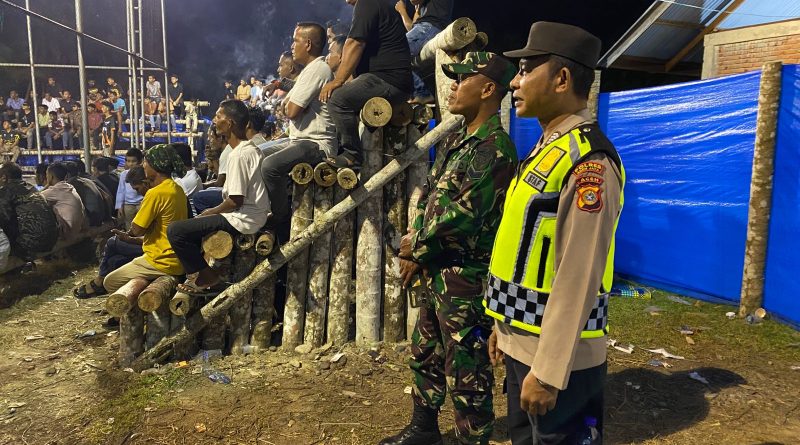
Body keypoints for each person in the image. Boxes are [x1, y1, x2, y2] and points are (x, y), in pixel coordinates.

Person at [484, 22, 626, 445]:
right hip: (523, 343)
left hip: (560, 361)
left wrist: (548, 371)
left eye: (526, 70)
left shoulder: (589, 163)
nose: (515, 82)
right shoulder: (548, 147)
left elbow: (578, 275)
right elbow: (525, 247)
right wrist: (503, 328)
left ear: (561, 79)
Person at [381, 51, 518, 445]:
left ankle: (470, 438)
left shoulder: (495, 148)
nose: (453, 87)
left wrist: (414, 251)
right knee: (425, 351)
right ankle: (424, 429)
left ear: (488, 89)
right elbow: (428, 195)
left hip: (466, 277)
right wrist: (414, 239)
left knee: (466, 366)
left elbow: (462, 216)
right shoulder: (458, 140)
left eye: (462, 79)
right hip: (438, 269)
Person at [168, 99, 269, 294]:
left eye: (218, 116)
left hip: (244, 219)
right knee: (193, 225)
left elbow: (235, 200)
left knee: (176, 231)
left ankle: (207, 277)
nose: (214, 120)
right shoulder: (249, 149)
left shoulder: (239, 155)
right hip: (252, 215)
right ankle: (202, 271)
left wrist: (210, 212)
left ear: (229, 123)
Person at [261, 22, 336, 241]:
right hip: (299, 140)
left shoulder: (318, 69)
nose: (292, 46)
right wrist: (281, 89)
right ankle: (261, 208)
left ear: (308, 44)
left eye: (295, 41)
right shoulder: (309, 70)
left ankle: (280, 217)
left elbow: (291, 111)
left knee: (269, 166)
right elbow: (291, 98)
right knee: (255, 153)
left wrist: (287, 105)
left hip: (317, 144)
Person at [320, 0, 412, 169]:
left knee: (337, 99)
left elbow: (355, 43)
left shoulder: (367, 3)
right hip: (388, 79)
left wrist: (338, 80)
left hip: (389, 79)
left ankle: (352, 155)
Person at [102, 144, 189, 293]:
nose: (143, 166)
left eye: (145, 163)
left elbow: (137, 230)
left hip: (161, 261)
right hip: (177, 258)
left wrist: (129, 235)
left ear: (155, 166)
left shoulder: (155, 193)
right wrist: (130, 239)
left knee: (110, 282)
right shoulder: (177, 189)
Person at [75, 166, 149, 298]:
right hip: (154, 244)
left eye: (137, 189)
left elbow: (137, 230)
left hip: (155, 250)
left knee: (112, 242)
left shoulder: (152, 196)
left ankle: (99, 281)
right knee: (114, 260)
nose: (138, 193)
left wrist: (129, 237)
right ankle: (103, 284)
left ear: (145, 183)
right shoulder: (169, 191)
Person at [395, 0, 453, 104]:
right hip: (425, 27)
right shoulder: (427, 7)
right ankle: (420, 93)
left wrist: (402, 9)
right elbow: (412, 27)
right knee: (400, 56)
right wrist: (403, 11)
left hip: (430, 26)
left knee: (395, 51)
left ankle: (422, 92)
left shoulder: (432, 15)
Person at [0, 162, 59, 260]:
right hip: (52, 240)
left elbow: (4, 220)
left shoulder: (5, 192)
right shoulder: (31, 188)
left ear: (4, 177)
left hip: (31, 244)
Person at [41, 162, 86, 241]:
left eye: (47, 174)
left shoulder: (56, 190)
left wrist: (47, 184)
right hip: (77, 229)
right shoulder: (69, 187)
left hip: (67, 233)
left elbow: (34, 198)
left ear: (51, 176)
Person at [193, 125, 229, 214]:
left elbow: (220, 182)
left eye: (211, 137)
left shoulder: (226, 153)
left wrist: (201, 186)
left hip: (230, 193)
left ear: (220, 138)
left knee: (198, 197)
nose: (209, 140)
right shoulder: (225, 152)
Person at [116, 148, 145, 230]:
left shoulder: (144, 173)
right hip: (128, 205)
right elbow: (120, 191)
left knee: (143, 225)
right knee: (129, 226)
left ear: (140, 161)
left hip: (141, 203)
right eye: (128, 161)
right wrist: (119, 206)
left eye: (133, 161)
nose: (131, 164)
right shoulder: (123, 174)